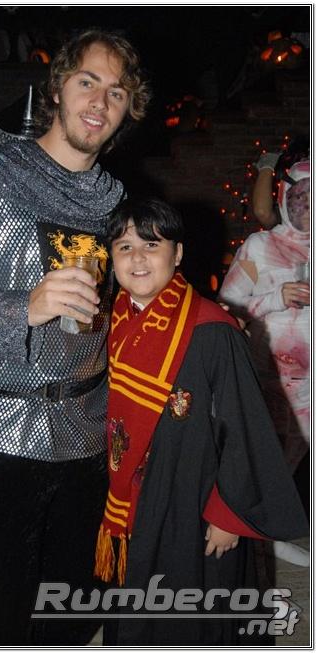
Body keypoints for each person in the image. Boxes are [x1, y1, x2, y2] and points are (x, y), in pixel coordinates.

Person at [0, 30, 150, 645]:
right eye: (88, 81)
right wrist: (25, 305)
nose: (100, 101)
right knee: (2, 615)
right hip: (4, 432)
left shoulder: (115, 200)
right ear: (58, 87)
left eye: (117, 92)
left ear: (127, 110)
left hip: (89, 431)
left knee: (72, 608)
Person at [93, 197, 308, 646]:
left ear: (178, 254)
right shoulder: (113, 320)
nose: (137, 258)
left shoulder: (211, 329)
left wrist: (229, 515)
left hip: (195, 499)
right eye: (125, 247)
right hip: (136, 494)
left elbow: (243, 427)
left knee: (189, 609)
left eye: (152, 245)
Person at [219, 160, 310, 566]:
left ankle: (268, 535)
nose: (309, 207)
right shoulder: (260, 246)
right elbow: (227, 307)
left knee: (290, 461)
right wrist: (276, 297)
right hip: (268, 376)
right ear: (285, 197)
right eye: (302, 197)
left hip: (310, 384)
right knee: (263, 462)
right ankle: (255, 539)